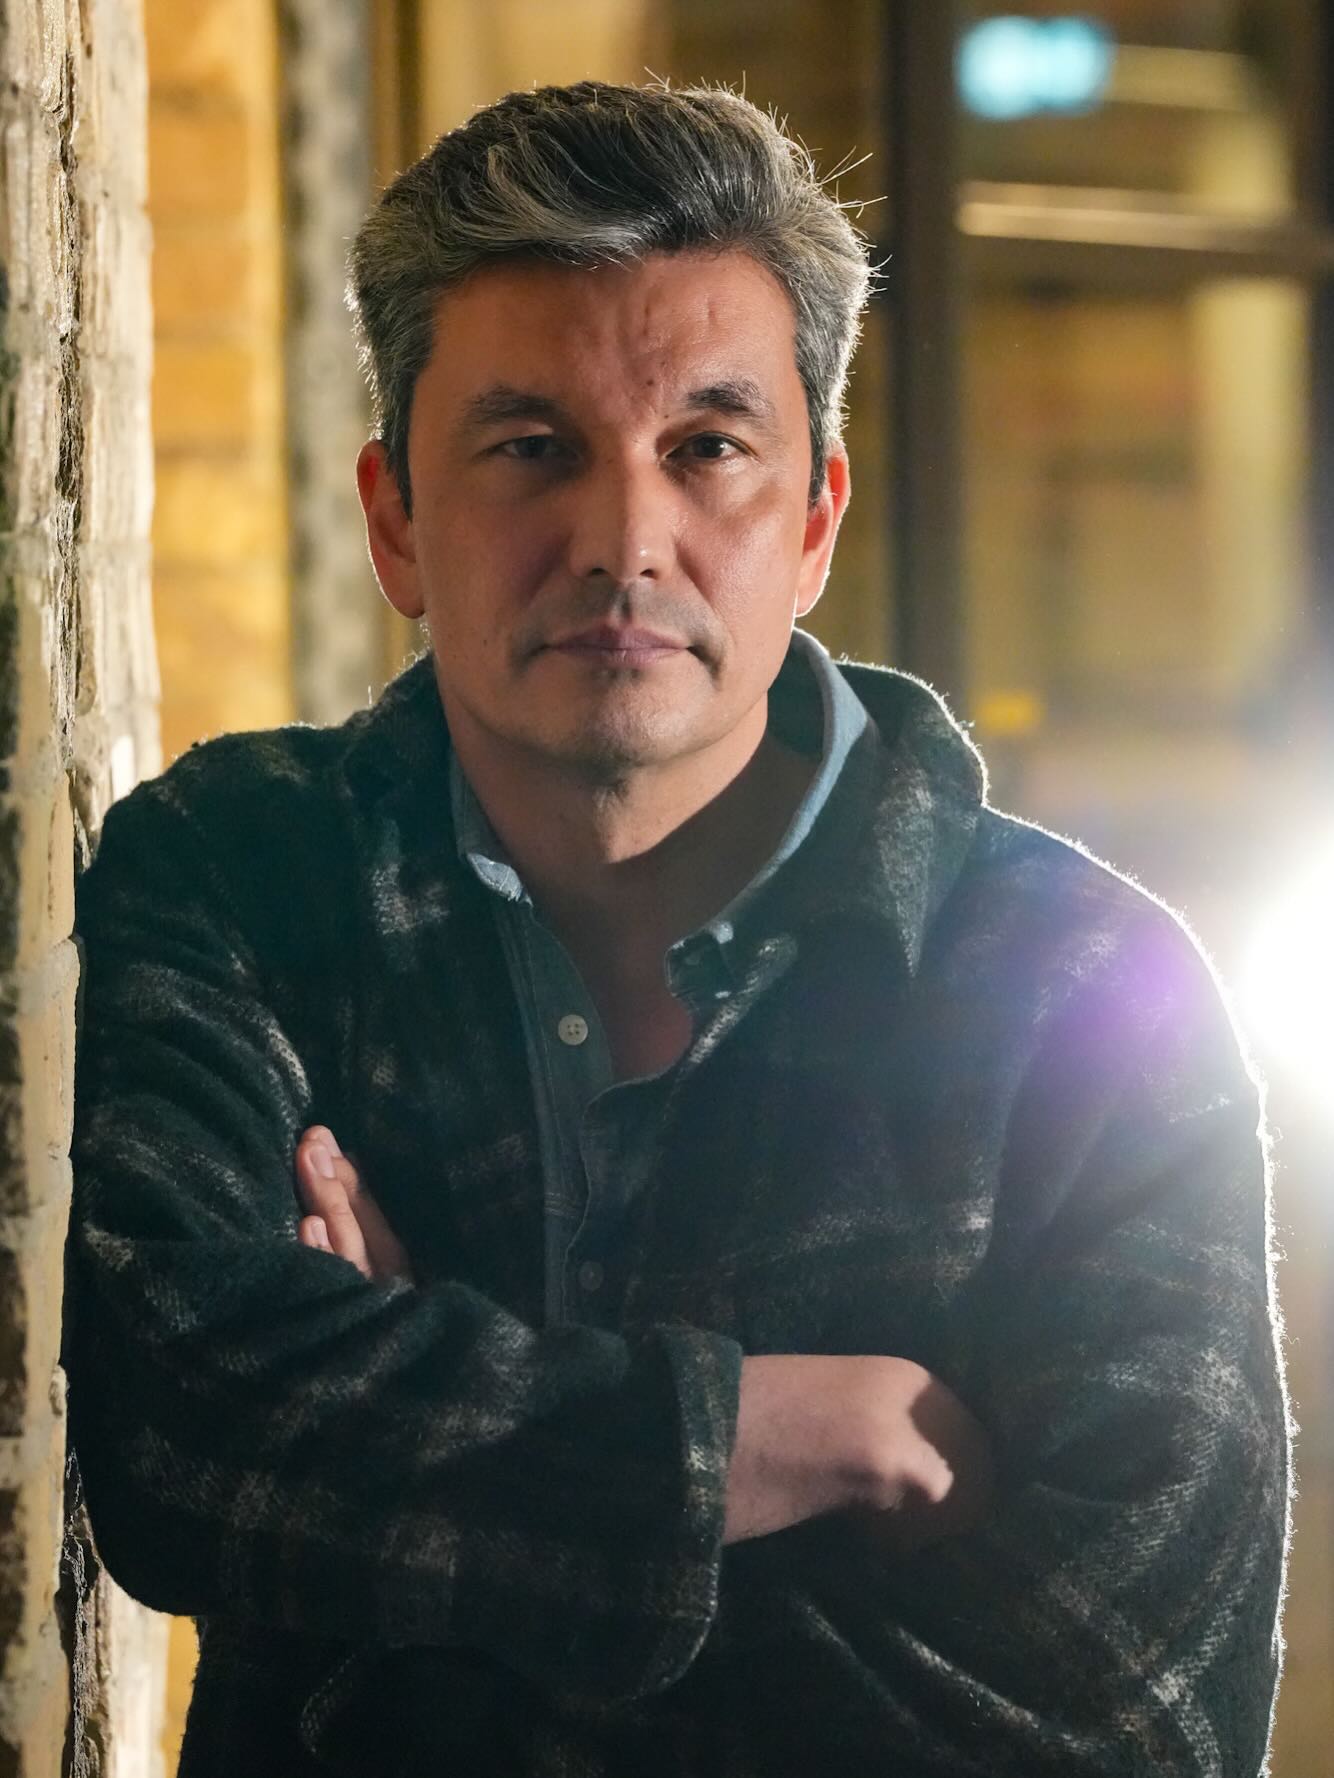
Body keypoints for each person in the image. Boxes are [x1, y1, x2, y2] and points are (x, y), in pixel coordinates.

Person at [65, 80, 1289, 1778]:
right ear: (396, 519)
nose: (623, 538)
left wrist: (429, 1520)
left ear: (814, 519)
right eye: (530, 447)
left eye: (706, 448)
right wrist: (803, 1433)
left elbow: (1129, 1724)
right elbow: (177, 1442)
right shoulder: (241, 870)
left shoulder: (1085, 990)